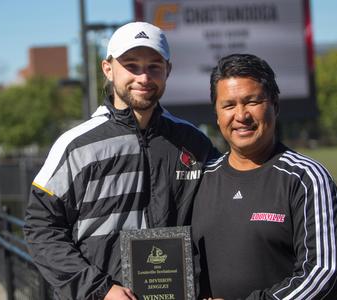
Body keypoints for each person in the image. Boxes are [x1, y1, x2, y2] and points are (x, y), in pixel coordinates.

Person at [23, 21, 220, 300]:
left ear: (168, 70)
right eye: (131, 65)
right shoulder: (75, 146)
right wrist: (99, 290)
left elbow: (218, 222)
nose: (143, 77)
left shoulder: (194, 143)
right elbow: (41, 229)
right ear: (108, 69)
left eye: (154, 66)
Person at [191, 53, 337, 300]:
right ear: (217, 115)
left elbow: (322, 274)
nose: (241, 115)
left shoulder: (306, 178)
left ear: (275, 105)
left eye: (252, 101)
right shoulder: (200, 179)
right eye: (229, 105)